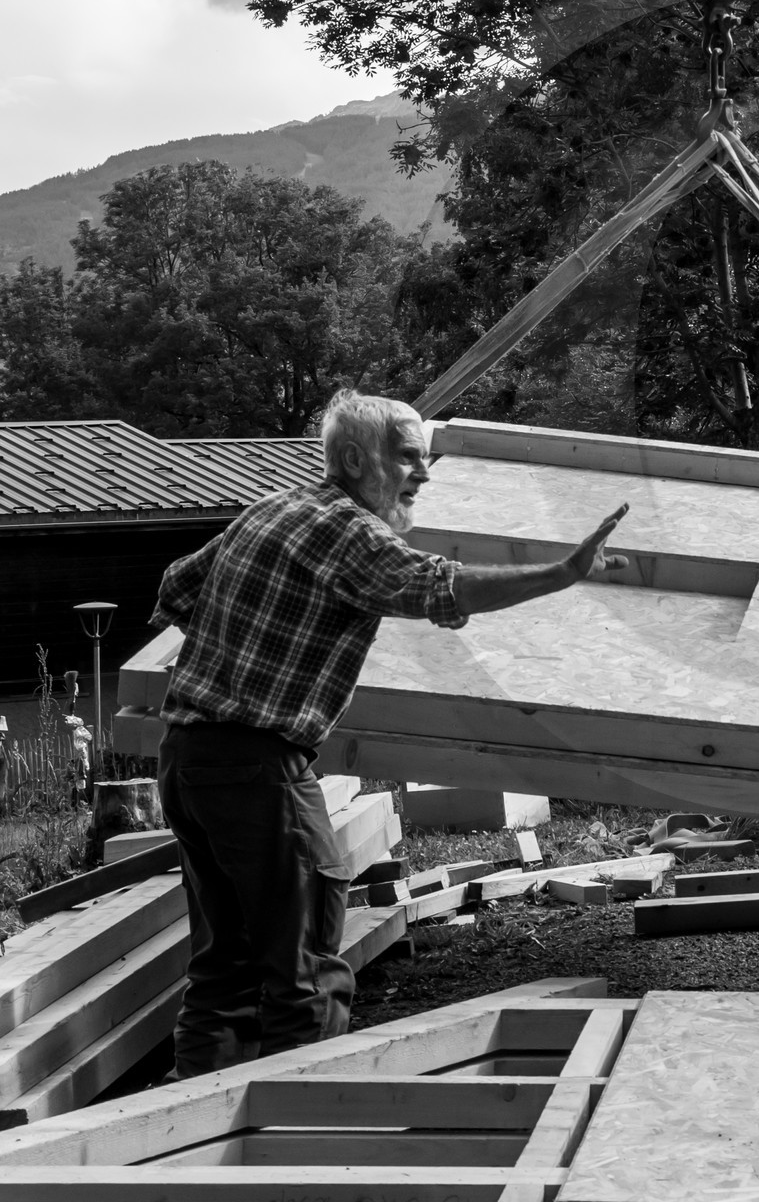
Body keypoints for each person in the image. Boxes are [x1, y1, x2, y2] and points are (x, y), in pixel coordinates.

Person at [150, 389, 627, 1078]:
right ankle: (297, 1154)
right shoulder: (350, 532)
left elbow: (176, 588)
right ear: (353, 457)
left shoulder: (271, 511)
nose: (425, 476)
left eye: (425, 459)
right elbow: (443, 587)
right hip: (257, 769)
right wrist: (562, 573)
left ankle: (185, 1147)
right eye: (408, 458)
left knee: (224, 970)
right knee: (306, 977)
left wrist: (254, 647)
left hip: (187, 759)